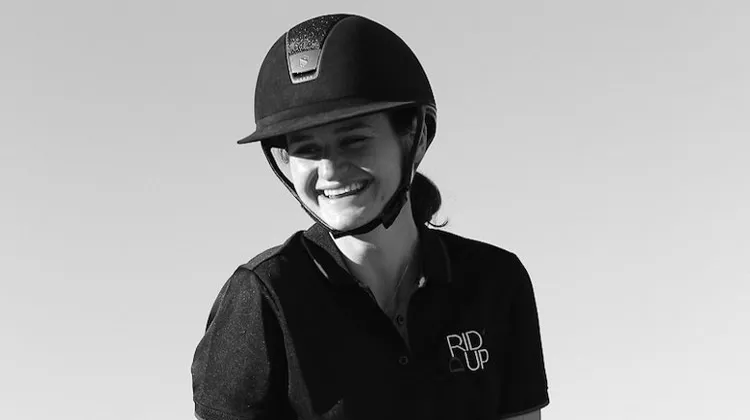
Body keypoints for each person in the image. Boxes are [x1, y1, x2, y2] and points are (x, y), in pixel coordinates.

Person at [192, 13, 549, 420]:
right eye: (307, 150)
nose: (330, 170)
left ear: (416, 137)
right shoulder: (262, 299)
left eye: (354, 140)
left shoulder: (496, 281)